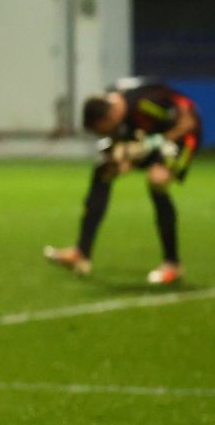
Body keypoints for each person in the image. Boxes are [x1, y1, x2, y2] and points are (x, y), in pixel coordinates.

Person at [44, 83, 199, 284]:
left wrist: (151, 145)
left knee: (157, 179)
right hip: (146, 138)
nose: (105, 135)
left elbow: (187, 123)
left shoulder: (144, 105)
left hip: (182, 136)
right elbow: (126, 140)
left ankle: (172, 264)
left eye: (104, 130)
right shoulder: (114, 99)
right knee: (104, 169)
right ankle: (81, 253)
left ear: (111, 117)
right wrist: (127, 156)